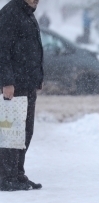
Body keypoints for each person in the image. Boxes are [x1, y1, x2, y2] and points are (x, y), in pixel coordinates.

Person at [0, 0, 44, 191]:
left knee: (25, 131)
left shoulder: (27, 13)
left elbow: (32, 49)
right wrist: (6, 82)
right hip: (14, 86)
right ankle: (6, 176)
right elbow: (2, 49)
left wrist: (37, 78)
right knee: (11, 132)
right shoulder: (11, 12)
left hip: (27, 84)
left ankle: (17, 173)